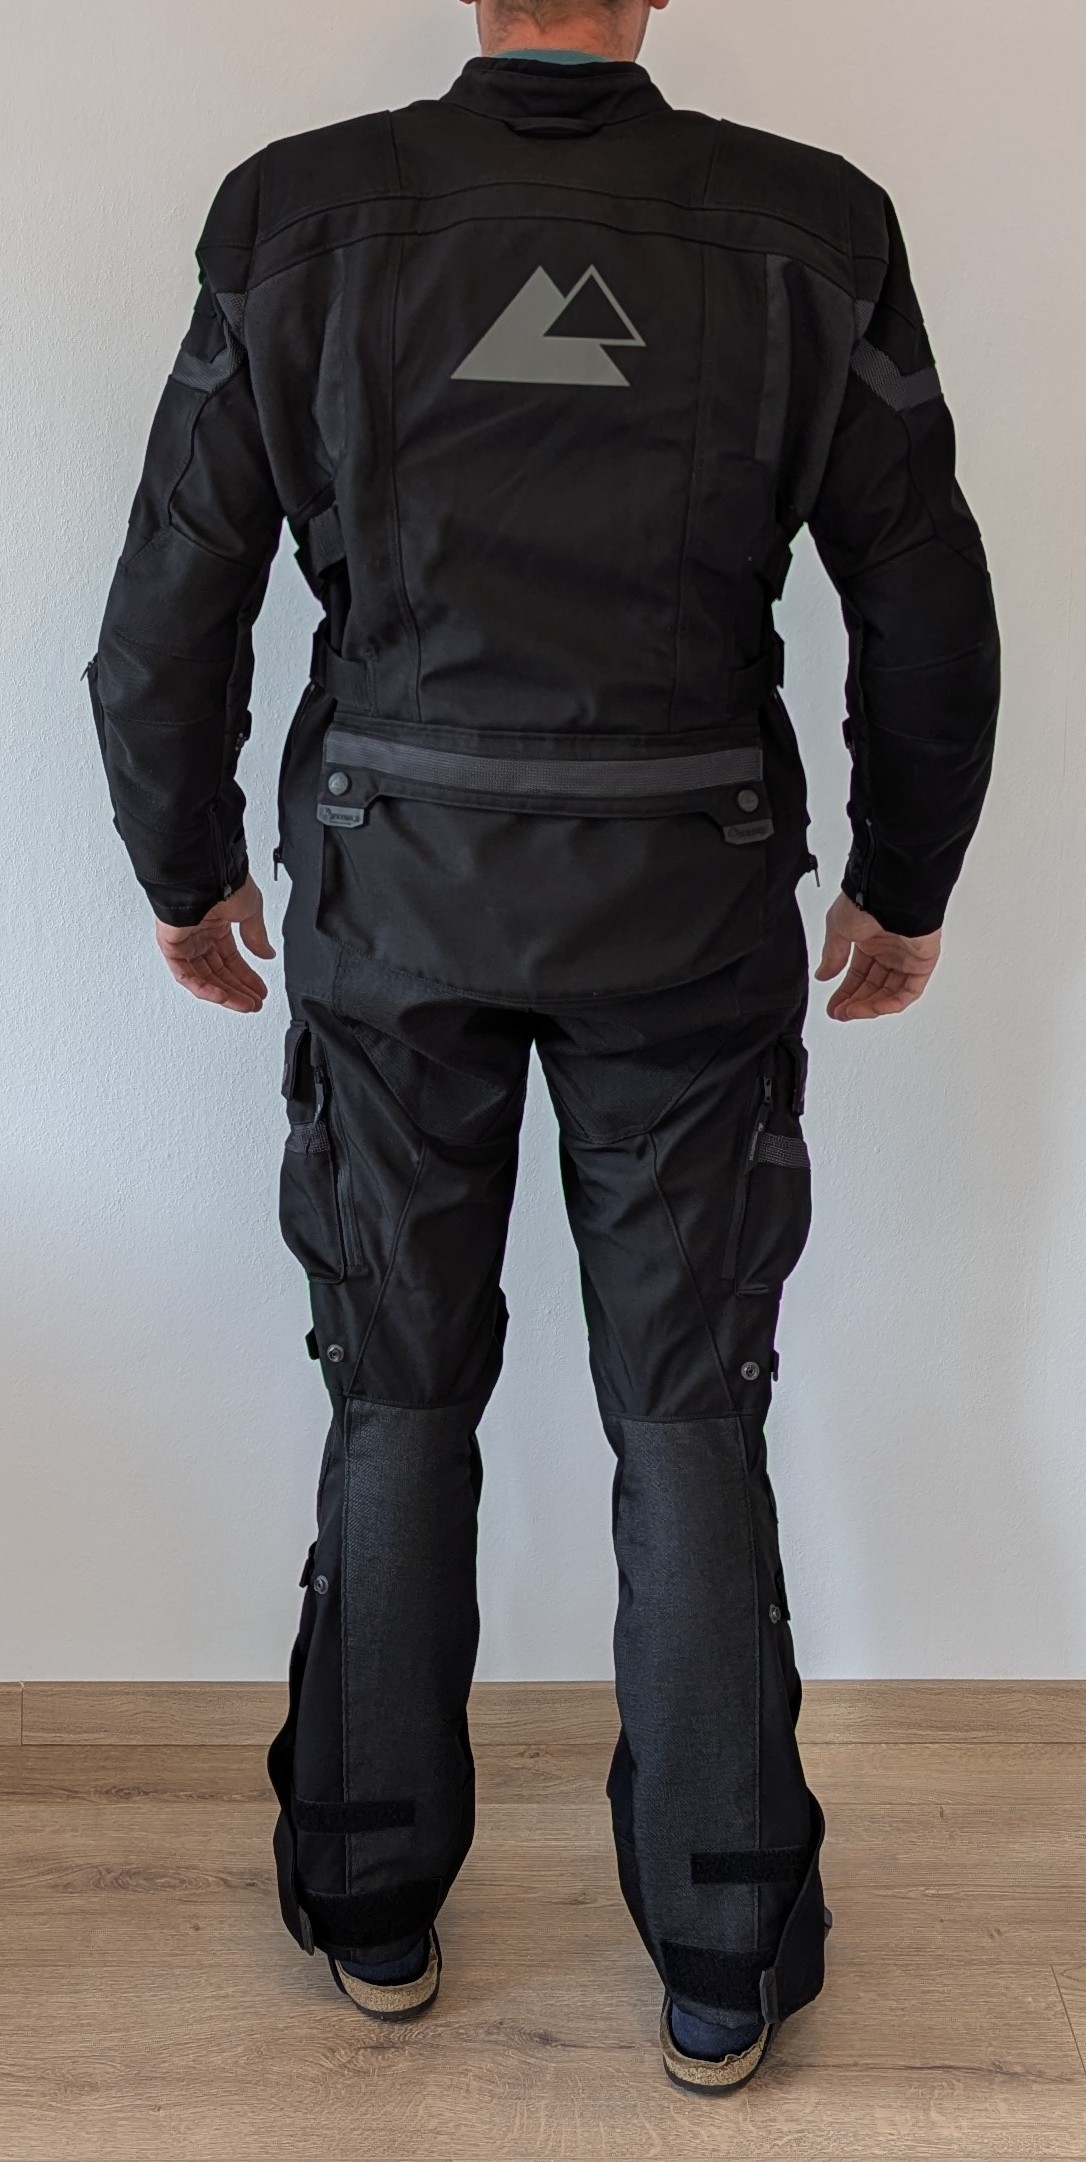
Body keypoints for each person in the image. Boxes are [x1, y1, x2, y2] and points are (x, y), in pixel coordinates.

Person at [88, 0, 999, 2097]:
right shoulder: (811, 229)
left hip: (394, 895)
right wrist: (904, 878)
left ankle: (374, 1905)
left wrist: (184, 865)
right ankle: (720, 1957)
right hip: (686, 903)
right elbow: (925, 597)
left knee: (396, 1391)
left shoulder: (301, 219)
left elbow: (169, 599)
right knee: (687, 1409)